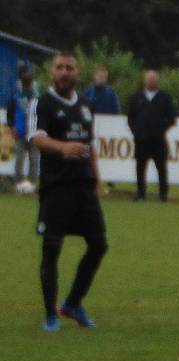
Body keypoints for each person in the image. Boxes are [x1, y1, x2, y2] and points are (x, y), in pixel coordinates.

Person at [28, 51, 108, 332]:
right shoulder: (42, 103)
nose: (64, 72)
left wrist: (96, 176)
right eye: (60, 67)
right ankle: (50, 314)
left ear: (77, 72)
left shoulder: (86, 105)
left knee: (99, 245)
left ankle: (72, 303)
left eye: (70, 68)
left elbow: (89, 144)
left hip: (83, 187)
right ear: (52, 71)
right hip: (56, 188)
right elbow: (37, 138)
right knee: (52, 249)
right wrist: (63, 148)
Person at [127, 69, 176, 202]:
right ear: (145, 80)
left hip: (158, 140)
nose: (151, 81)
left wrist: (161, 129)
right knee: (140, 168)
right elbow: (130, 117)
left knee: (161, 167)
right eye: (149, 79)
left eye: (154, 79)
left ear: (158, 81)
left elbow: (171, 118)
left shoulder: (164, 98)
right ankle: (141, 194)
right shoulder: (136, 97)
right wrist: (135, 130)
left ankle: (163, 195)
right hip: (141, 139)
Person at [6, 67, 40, 189]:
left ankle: (32, 183)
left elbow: (42, 113)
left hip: (34, 131)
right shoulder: (15, 95)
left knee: (34, 158)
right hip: (19, 131)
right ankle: (18, 183)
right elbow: (10, 113)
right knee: (19, 158)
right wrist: (12, 126)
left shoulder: (37, 95)